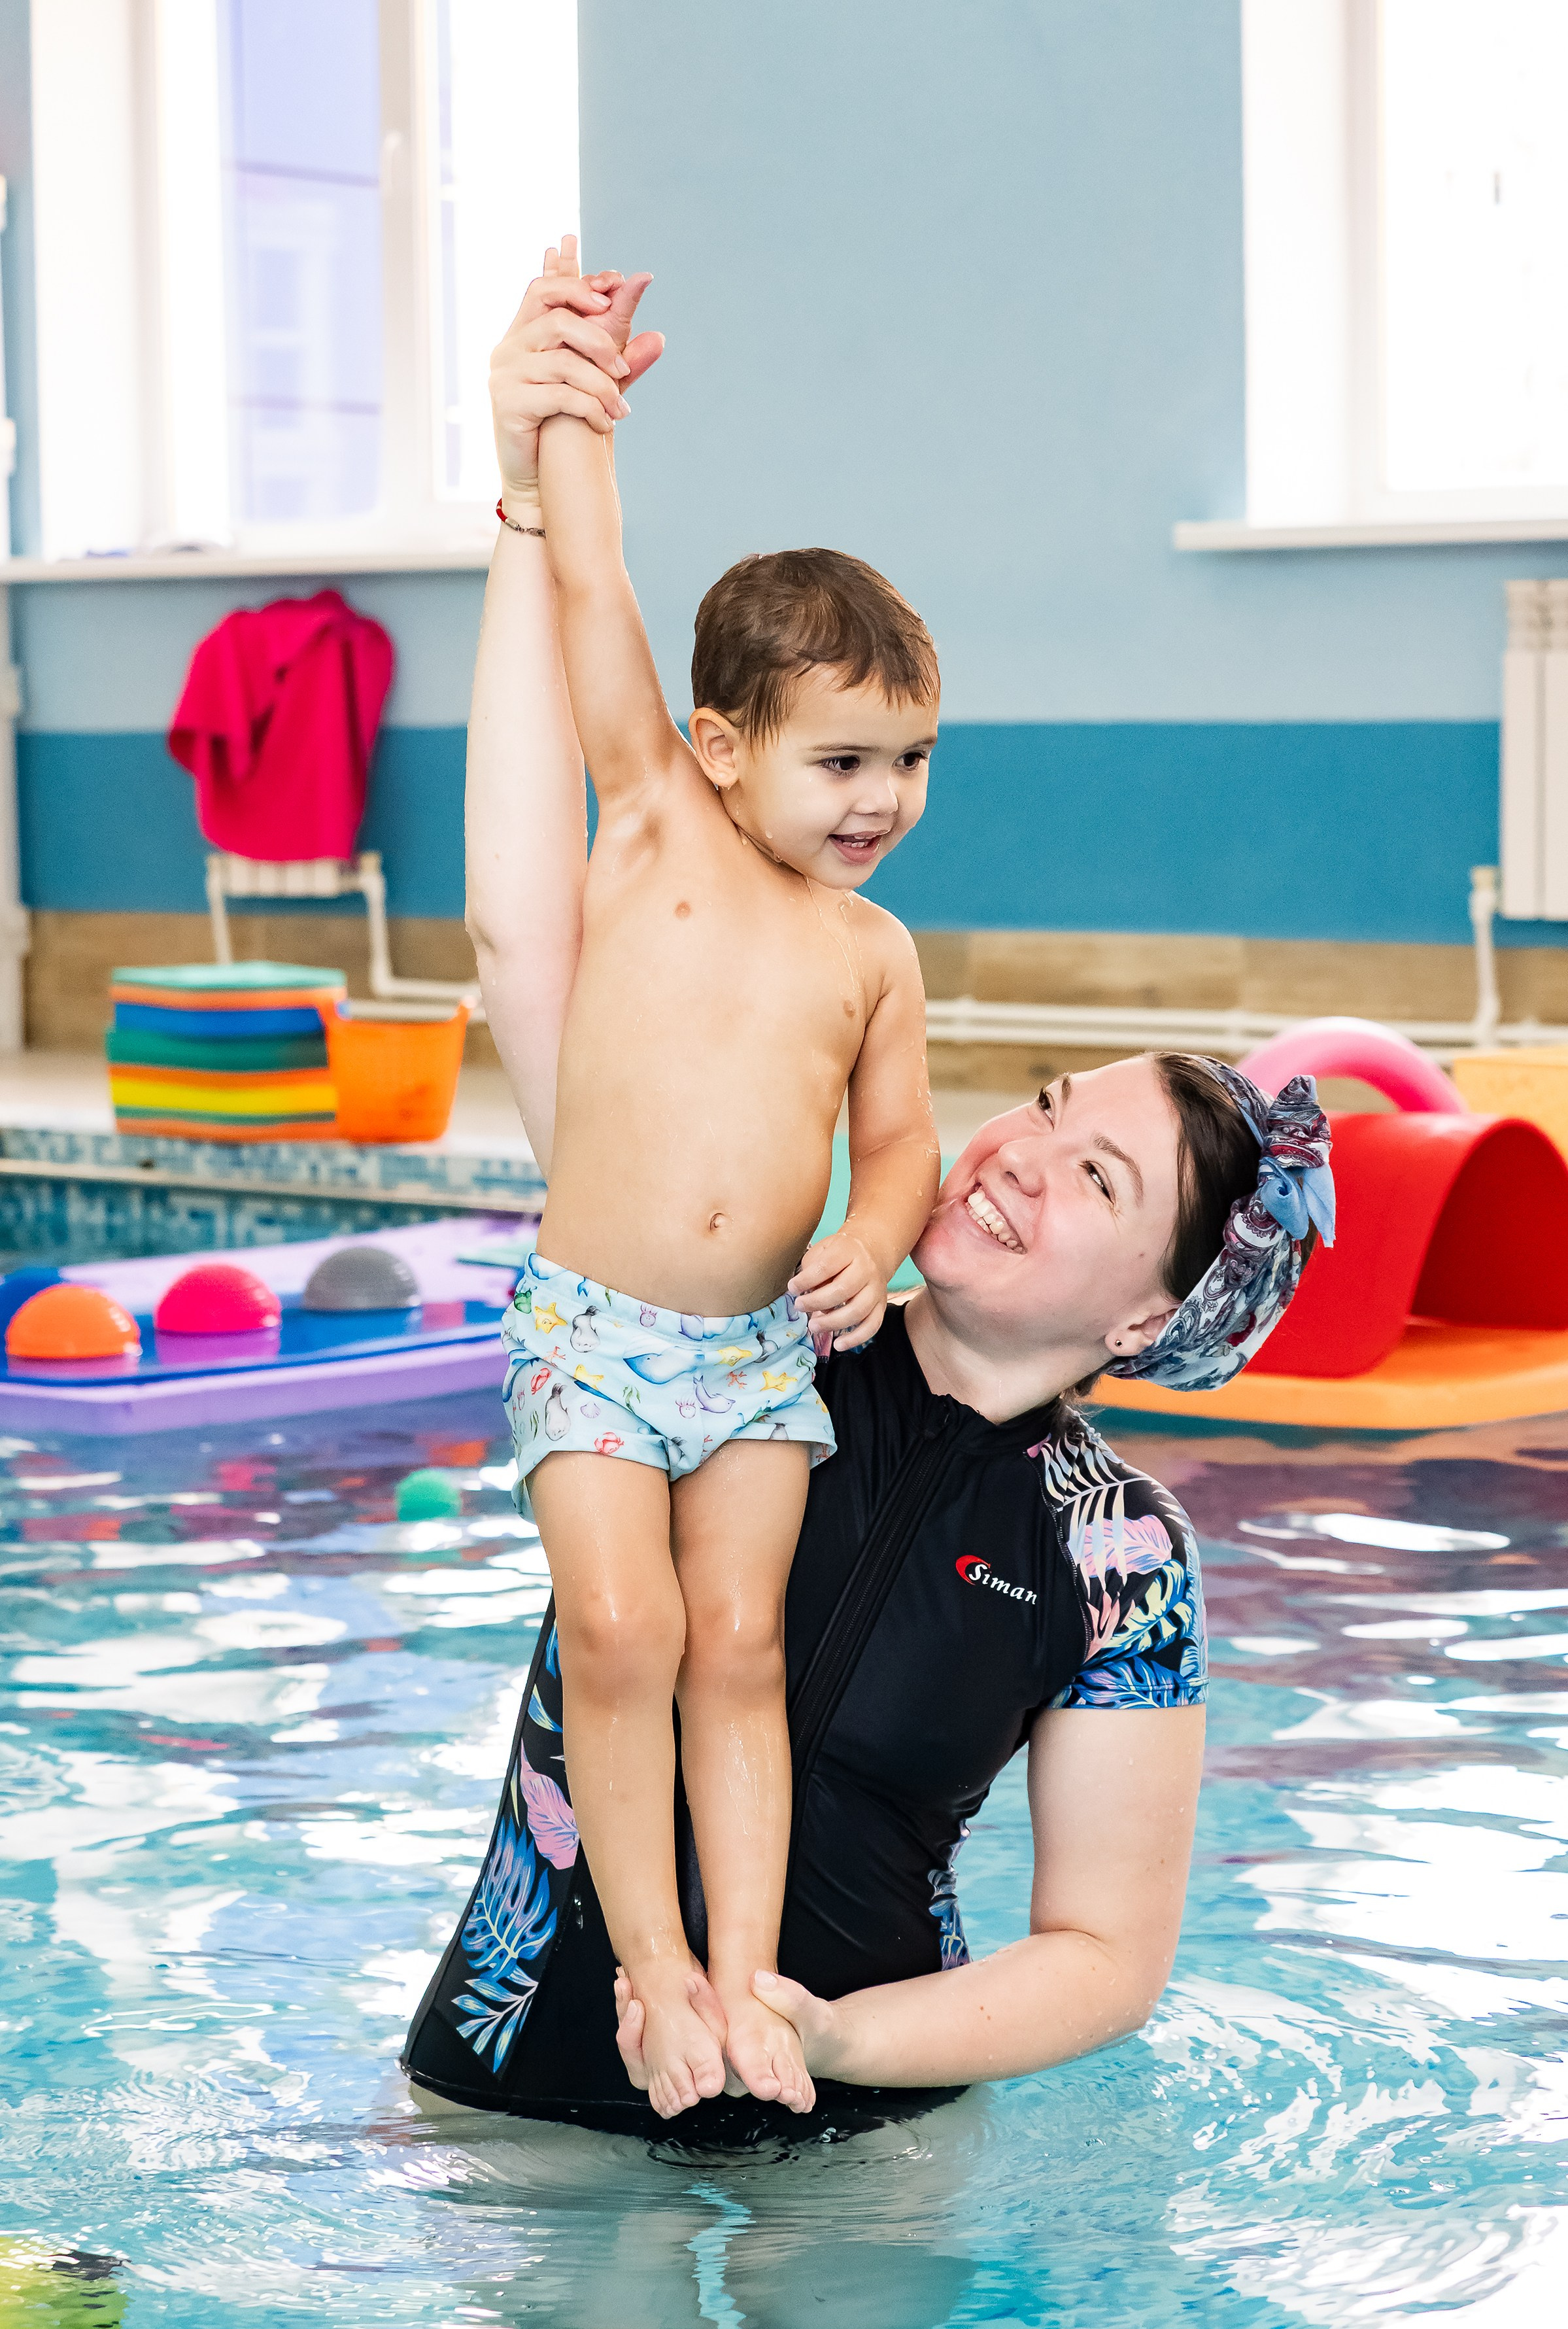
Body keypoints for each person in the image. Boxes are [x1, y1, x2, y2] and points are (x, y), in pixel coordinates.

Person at [401, 247, 1335, 2143]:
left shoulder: (1119, 1557)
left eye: (1095, 1174)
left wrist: (825, 2042)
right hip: (518, 2106)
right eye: (1046, 1104)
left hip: (846, 2130)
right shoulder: (737, 1299)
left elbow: (1106, 1958)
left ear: (1154, 1310)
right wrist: (530, 486)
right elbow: (518, 909)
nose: (1016, 1150)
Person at [495, 239, 943, 2119]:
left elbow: (901, 1140)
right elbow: (591, 583)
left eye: (912, 759)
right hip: (599, 1332)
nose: (880, 798)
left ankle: (748, 1976)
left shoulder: (876, 952)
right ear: (720, 744)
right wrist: (574, 411)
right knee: (625, 1631)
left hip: (759, 1350)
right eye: (843, 759)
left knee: (741, 1645)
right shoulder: (654, 825)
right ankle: (651, 1970)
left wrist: (875, 1233)